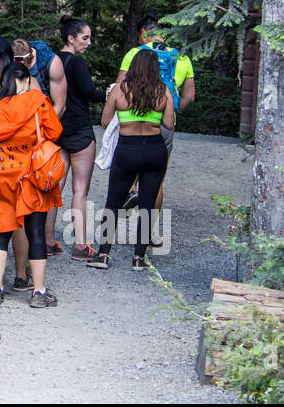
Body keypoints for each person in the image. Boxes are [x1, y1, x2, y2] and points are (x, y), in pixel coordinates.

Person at [0, 62, 63, 307]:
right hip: (31, 175)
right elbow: (55, 132)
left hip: (0, 175)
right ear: (25, 80)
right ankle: (38, 292)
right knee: (35, 233)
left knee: (0, 232)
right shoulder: (38, 100)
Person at [89, 48, 175, 270]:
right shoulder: (163, 91)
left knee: (114, 202)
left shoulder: (119, 90)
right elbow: (169, 124)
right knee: (147, 205)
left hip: (127, 149)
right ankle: (139, 258)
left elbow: (105, 121)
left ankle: (103, 255)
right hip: (155, 150)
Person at [115, 14, 195, 217]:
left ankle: (129, 195)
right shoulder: (181, 57)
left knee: (126, 172)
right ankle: (148, 232)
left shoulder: (135, 53)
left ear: (143, 34)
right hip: (164, 124)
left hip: (132, 121)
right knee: (156, 180)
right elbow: (190, 96)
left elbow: (119, 87)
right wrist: (175, 110)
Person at [11, 38, 68, 257]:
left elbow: (58, 105)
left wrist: (41, 134)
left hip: (37, 136)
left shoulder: (50, 64)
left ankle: (33, 253)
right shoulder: (15, 69)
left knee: (28, 207)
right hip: (20, 143)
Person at [56, 16, 104, 261]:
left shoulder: (51, 61)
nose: (89, 42)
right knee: (80, 190)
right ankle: (80, 245)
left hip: (57, 129)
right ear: (71, 38)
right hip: (79, 130)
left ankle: (45, 242)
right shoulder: (76, 63)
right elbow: (89, 92)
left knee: (55, 189)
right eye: (85, 38)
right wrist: (110, 92)